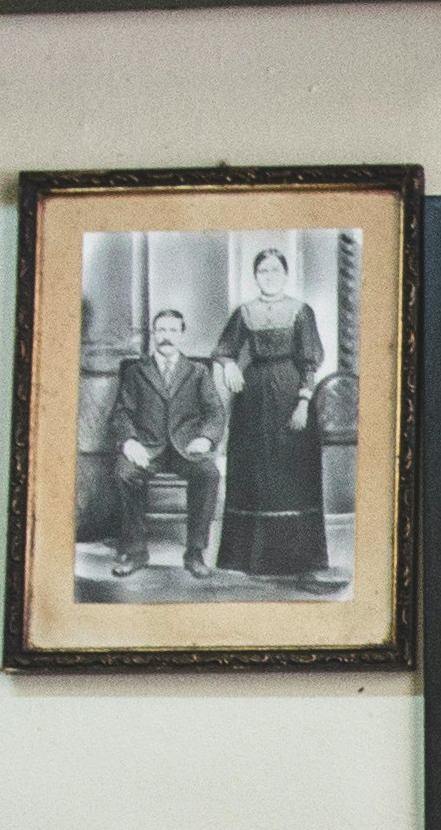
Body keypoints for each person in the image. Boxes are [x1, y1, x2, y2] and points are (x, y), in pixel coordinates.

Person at [213, 239, 344, 587]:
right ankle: (248, 559)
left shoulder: (301, 310)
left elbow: (310, 361)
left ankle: (297, 561)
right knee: (254, 469)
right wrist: (229, 365)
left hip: (290, 393)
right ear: (255, 275)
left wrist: (303, 402)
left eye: (275, 270)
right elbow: (224, 349)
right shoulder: (244, 312)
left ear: (285, 274)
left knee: (291, 473)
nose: (268, 275)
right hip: (252, 396)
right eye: (262, 270)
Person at [102, 303, 232, 577]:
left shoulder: (197, 371)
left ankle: (195, 553)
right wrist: (129, 442)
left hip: (186, 448)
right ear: (153, 333)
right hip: (148, 448)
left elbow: (215, 412)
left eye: (173, 330)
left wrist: (206, 439)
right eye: (161, 329)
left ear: (182, 335)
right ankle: (136, 552)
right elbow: (121, 413)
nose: (166, 336)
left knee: (208, 474)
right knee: (125, 473)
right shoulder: (136, 371)